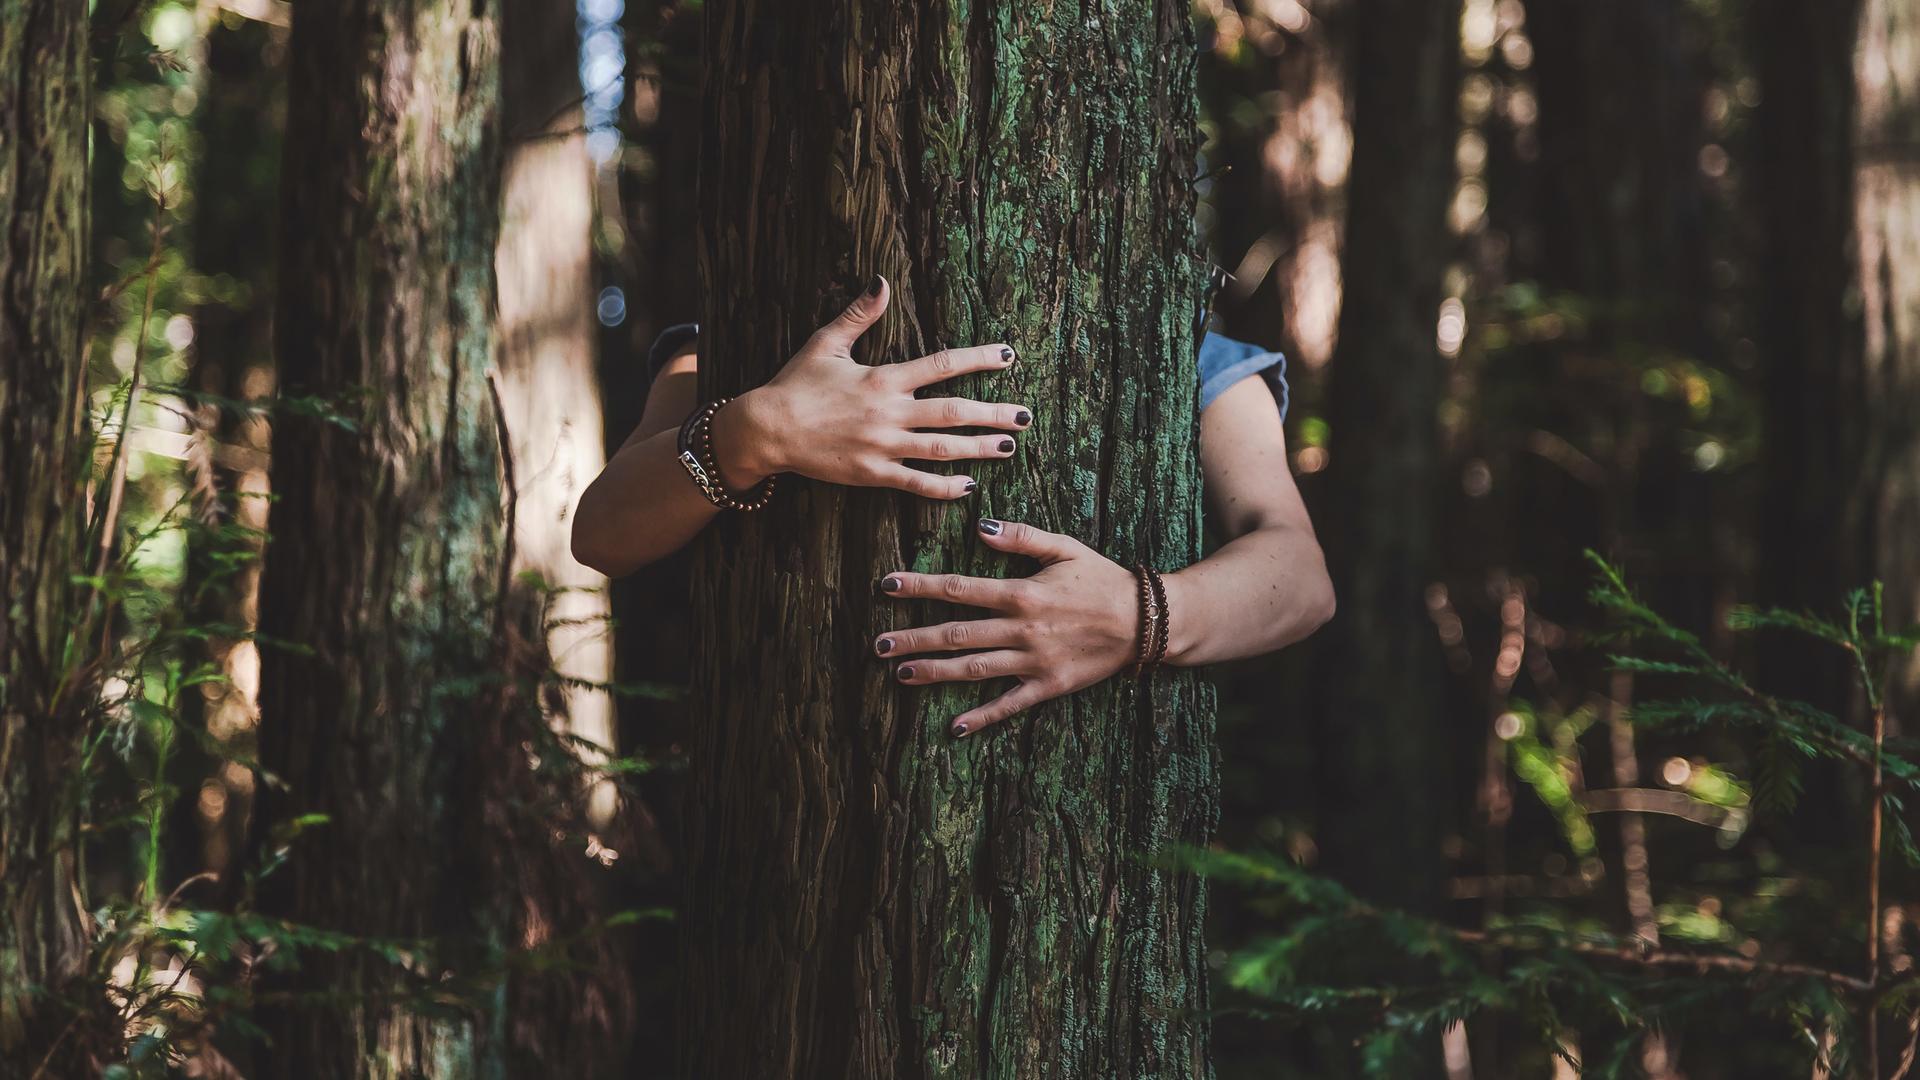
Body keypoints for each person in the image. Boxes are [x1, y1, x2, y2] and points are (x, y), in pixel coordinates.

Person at [572, 275, 1333, 736]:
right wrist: (758, 430)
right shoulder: (736, 337)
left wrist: (1139, 615)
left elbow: (1300, 577)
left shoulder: (1188, 354)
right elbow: (603, 532)